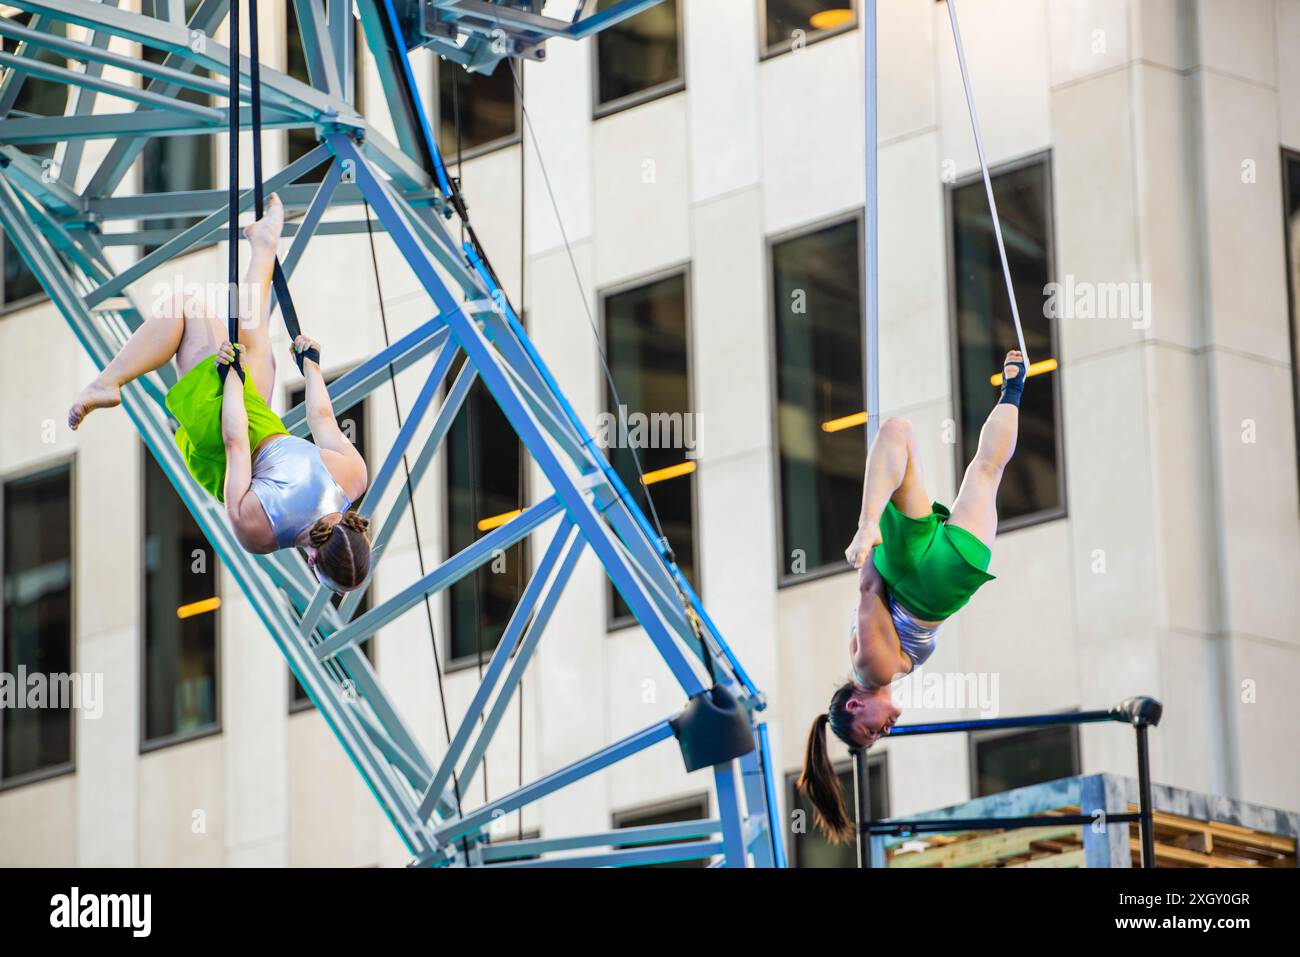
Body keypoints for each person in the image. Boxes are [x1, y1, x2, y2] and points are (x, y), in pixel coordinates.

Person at [67, 194, 372, 592]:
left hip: (221, 430)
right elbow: (245, 444)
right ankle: (263, 244)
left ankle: (109, 382)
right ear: (313, 562)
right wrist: (265, 373)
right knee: (256, 345)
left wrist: (300, 368)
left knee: (185, 308)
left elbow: (250, 439)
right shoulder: (259, 536)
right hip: (252, 427)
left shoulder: (353, 480)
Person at [797, 350, 1026, 842]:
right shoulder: (863, 660)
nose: (886, 730)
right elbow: (871, 595)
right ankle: (1010, 390)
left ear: (856, 706)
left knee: (986, 473)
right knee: (899, 434)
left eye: (873, 730)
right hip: (910, 569)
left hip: (933, 586)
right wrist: (885, 529)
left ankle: (1014, 391)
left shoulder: (874, 671)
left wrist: (872, 540)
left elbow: (868, 588)